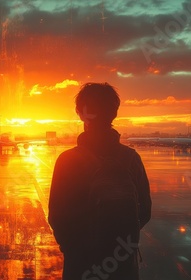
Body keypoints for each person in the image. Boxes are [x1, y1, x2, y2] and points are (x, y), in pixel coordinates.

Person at [48, 82, 151, 280]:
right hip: (122, 263)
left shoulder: (68, 160)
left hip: (81, 262)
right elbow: (144, 211)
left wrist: (72, 247)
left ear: (80, 113)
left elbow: (57, 215)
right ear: (114, 113)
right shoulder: (131, 158)